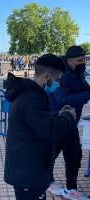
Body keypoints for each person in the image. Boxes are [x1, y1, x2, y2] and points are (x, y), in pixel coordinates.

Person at [4, 54, 76, 200]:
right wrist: (68, 117)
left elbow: (39, 124)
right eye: (56, 80)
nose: (57, 84)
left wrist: (58, 116)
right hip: (28, 172)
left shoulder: (31, 95)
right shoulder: (32, 98)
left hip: (29, 168)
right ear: (47, 76)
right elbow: (51, 131)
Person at [47, 46, 90, 200]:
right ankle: (47, 181)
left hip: (71, 123)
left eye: (85, 59)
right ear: (69, 61)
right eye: (80, 60)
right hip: (58, 122)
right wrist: (87, 94)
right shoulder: (61, 75)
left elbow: (85, 88)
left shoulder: (78, 73)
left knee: (74, 157)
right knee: (50, 155)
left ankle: (70, 188)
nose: (83, 63)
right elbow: (62, 99)